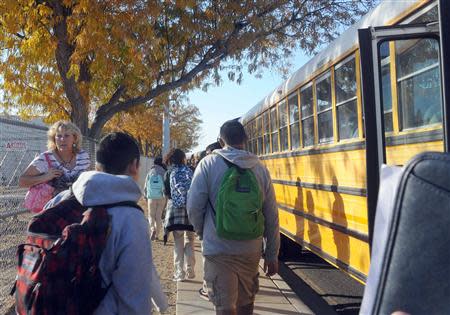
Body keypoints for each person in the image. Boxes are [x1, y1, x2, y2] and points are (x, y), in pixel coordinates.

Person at [46, 132, 167, 314]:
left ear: (96, 166)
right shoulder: (131, 218)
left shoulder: (59, 201)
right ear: (135, 166)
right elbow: (135, 296)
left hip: (50, 304)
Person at [187, 120, 280, 315]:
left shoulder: (208, 164)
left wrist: (203, 232)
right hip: (251, 249)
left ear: (221, 141)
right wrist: (272, 254)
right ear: (245, 140)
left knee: (225, 307)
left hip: (218, 248)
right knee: (246, 304)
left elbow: (194, 206)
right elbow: (271, 214)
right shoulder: (260, 168)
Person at [19, 120, 90, 196]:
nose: (62, 139)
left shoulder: (83, 156)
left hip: (79, 205)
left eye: (66, 136)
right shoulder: (45, 158)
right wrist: (45, 177)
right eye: (59, 136)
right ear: (54, 139)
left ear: (74, 138)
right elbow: (22, 182)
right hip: (53, 206)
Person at [163, 148, 196, 282]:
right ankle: (191, 269)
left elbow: (166, 192)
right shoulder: (190, 171)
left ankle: (179, 273)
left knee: (178, 241)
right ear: (183, 158)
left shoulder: (169, 172)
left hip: (175, 208)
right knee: (190, 240)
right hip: (190, 208)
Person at [144, 156, 166, 240]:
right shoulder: (164, 171)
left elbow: (145, 185)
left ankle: (152, 229)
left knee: (151, 215)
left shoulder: (150, 172)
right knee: (158, 216)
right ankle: (156, 235)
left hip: (151, 197)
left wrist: (145, 196)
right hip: (161, 197)